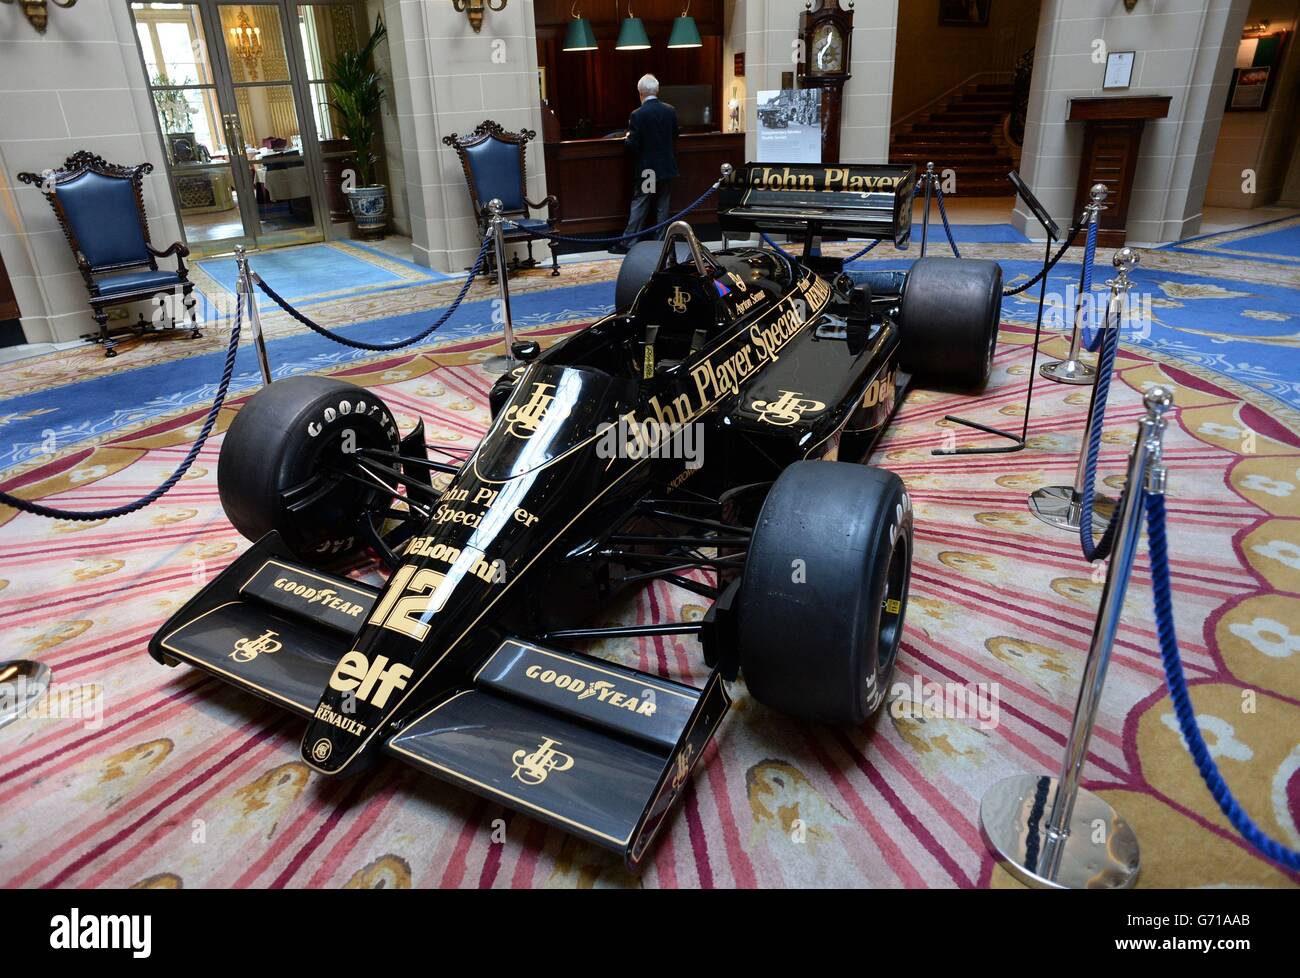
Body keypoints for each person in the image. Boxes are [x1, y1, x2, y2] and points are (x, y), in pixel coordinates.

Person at [610, 74, 679, 254]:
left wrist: (626, 139)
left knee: (641, 203)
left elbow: (633, 144)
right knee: (662, 206)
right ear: (657, 90)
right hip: (667, 167)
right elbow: (675, 136)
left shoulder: (637, 114)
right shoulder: (670, 110)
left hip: (649, 170)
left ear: (640, 93)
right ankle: (660, 242)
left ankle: (628, 242)